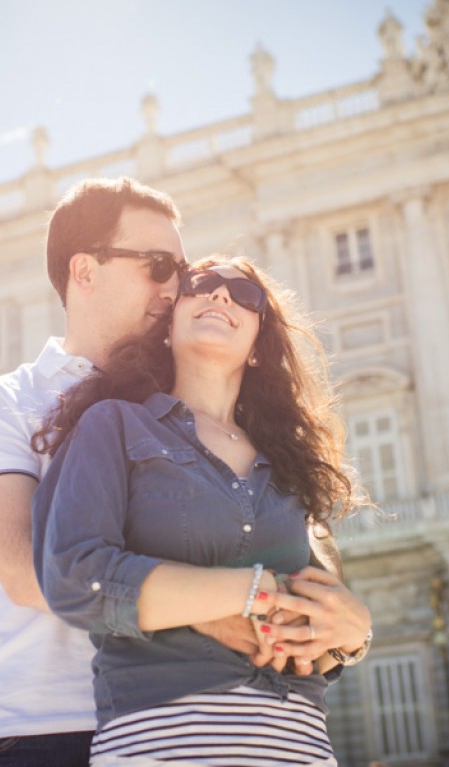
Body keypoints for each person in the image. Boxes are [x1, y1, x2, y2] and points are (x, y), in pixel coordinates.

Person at [32, 256, 373, 766]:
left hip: (298, 746)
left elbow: (314, 633)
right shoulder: (115, 426)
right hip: (162, 743)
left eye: (244, 294)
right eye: (202, 284)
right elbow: (75, 577)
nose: (220, 296)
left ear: (260, 345)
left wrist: (354, 633)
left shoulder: (289, 465)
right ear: (168, 324)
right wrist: (248, 593)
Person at [0, 177, 189, 766]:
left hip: (168, 730)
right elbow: (32, 576)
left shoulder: (189, 403)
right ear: (84, 271)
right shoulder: (3, 403)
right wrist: (234, 601)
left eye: (185, 269)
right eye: (158, 266)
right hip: (32, 730)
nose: (176, 288)